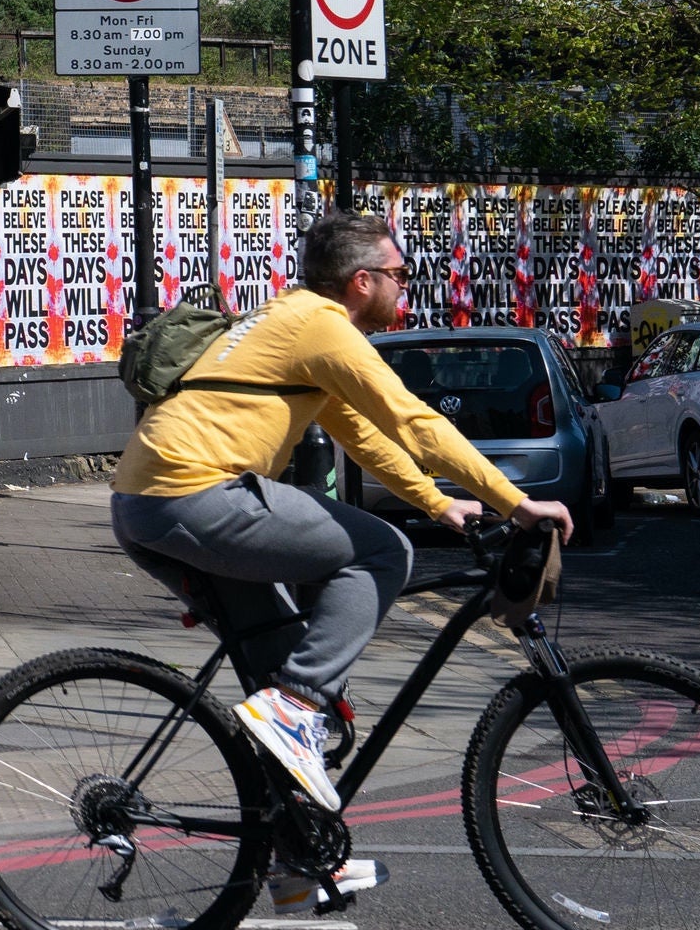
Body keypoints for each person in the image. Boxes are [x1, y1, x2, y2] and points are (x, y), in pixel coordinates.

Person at [113, 211, 573, 853]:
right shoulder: (323, 328)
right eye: (399, 275)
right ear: (362, 281)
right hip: (196, 493)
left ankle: (296, 858)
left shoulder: (290, 319)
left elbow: (361, 434)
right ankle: (295, 704)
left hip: (148, 502)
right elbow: (413, 422)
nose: (403, 287)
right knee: (382, 553)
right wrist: (515, 502)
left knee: (283, 662)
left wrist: (437, 502)